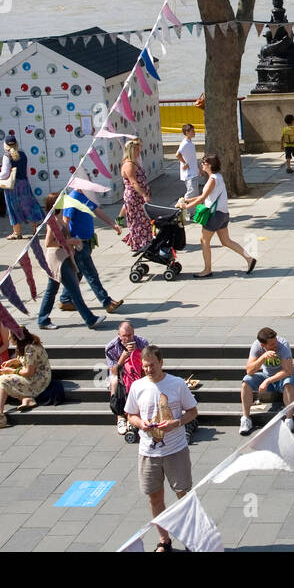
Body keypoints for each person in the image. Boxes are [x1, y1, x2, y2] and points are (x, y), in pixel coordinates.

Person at [125, 345, 199, 551]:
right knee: (154, 497)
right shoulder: (137, 386)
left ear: (161, 363)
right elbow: (130, 414)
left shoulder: (176, 384)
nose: (148, 370)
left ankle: (191, 539)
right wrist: (140, 425)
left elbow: (193, 411)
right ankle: (164, 540)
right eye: (145, 366)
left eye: (152, 366)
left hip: (175, 450)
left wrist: (177, 423)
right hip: (149, 452)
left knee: (183, 495)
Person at [180, 153, 256, 278]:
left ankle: (207, 269)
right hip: (223, 214)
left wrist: (186, 207)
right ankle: (249, 259)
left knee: (204, 240)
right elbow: (206, 196)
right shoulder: (218, 177)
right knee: (226, 241)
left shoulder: (212, 180)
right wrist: (188, 200)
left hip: (214, 215)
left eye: (203, 163)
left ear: (209, 165)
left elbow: (203, 198)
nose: (202, 165)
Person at [36, 192, 101, 330]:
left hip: (63, 256)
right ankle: (90, 319)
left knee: (51, 290)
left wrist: (73, 243)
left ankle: (42, 319)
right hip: (57, 259)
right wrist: (69, 241)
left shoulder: (59, 219)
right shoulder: (52, 221)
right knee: (73, 289)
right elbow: (48, 243)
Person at [58, 188, 123, 314]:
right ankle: (106, 302)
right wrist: (69, 242)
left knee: (78, 273)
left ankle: (65, 300)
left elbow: (97, 211)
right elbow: (66, 221)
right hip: (79, 243)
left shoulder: (83, 196)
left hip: (86, 241)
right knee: (91, 273)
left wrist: (112, 224)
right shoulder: (73, 199)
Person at [0, 327, 52, 430]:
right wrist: (13, 361)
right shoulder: (25, 344)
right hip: (34, 375)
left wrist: (11, 371)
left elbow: (29, 372)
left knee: (2, 382)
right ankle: (27, 398)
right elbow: (27, 360)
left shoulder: (30, 348)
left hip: (38, 380)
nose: (8, 339)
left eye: (10, 337)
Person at [239, 327, 294, 435]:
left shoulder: (283, 345)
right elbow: (249, 371)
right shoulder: (256, 346)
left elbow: (288, 371)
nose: (276, 345)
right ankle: (246, 419)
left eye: (276, 342)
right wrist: (262, 358)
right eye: (272, 344)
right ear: (263, 345)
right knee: (246, 381)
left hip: (282, 378)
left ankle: (289, 419)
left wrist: (267, 381)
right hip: (266, 375)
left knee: (288, 382)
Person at [0, 135, 43, 240]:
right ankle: (35, 229)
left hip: (12, 186)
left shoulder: (7, 156)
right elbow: (27, 171)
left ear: (5, 145)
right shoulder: (23, 154)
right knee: (28, 206)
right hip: (24, 183)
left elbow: (5, 173)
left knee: (13, 208)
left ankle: (17, 232)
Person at [106, 321, 148, 436]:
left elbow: (148, 363)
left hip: (137, 371)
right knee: (114, 381)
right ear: (119, 336)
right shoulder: (111, 347)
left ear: (133, 333)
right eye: (124, 336)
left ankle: (136, 415)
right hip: (120, 373)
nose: (128, 339)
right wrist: (124, 356)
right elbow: (113, 371)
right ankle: (120, 417)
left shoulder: (142, 342)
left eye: (130, 335)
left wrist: (135, 354)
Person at [174, 123, 200, 197]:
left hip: (194, 172)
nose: (194, 132)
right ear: (187, 132)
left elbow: (192, 158)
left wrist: (199, 169)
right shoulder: (184, 143)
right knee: (191, 193)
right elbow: (177, 154)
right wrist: (184, 163)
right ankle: (182, 205)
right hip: (189, 174)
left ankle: (190, 207)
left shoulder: (190, 143)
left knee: (195, 194)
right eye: (192, 131)